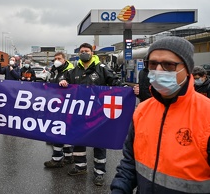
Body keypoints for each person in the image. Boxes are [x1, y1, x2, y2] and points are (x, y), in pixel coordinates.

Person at [110, 36, 210, 194]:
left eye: (168, 65)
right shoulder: (142, 110)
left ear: (188, 69)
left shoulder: (207, 115)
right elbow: (128, 165)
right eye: (153, 64)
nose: (158, 70)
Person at [59, 43, 122, 186]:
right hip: (79, 112)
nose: (84, 53)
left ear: (92, 53)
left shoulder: (102, 69)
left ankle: (99, 173)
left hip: (98, 113)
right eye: (81, 51)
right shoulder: (75, 71)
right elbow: (63, 79)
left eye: (86, 51)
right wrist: (62, 81)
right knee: (79, 140)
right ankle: (80, 167)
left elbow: (116, 82)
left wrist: (130, 90)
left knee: (99, 142)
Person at [44, 52, 75, 168]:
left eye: (59, 58)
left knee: (57, 131)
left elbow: (76, 87)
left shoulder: (70, 71)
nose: (56, 60)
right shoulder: (54, 71)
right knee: (62, 131)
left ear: (64, 60)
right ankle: (68, 156)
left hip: (65, 106)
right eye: (55, 59)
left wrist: (67, 84)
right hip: (55, 105)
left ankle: (57, 159)